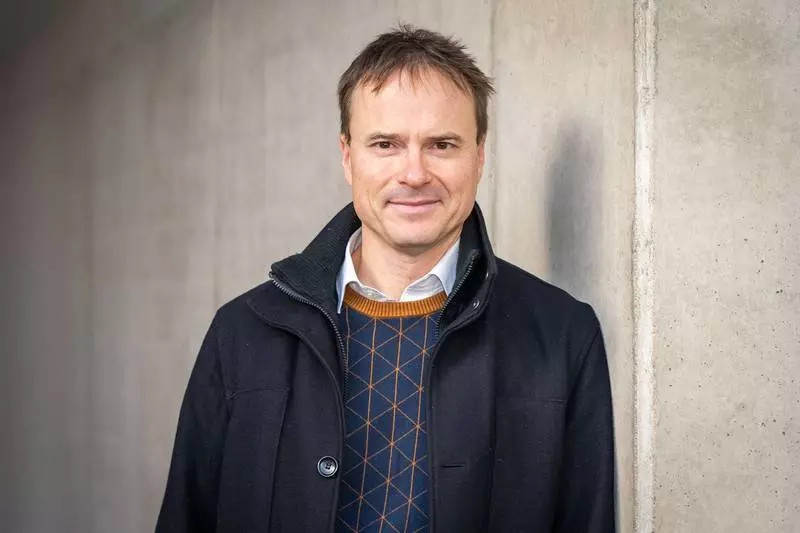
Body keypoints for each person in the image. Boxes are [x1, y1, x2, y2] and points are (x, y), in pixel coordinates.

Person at [156, 25, 615, 533]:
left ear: (479, 156)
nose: (414, 173)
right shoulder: (243, 332)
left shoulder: (563, 336)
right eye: (385, 144)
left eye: (442, 144)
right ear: (347, 156)